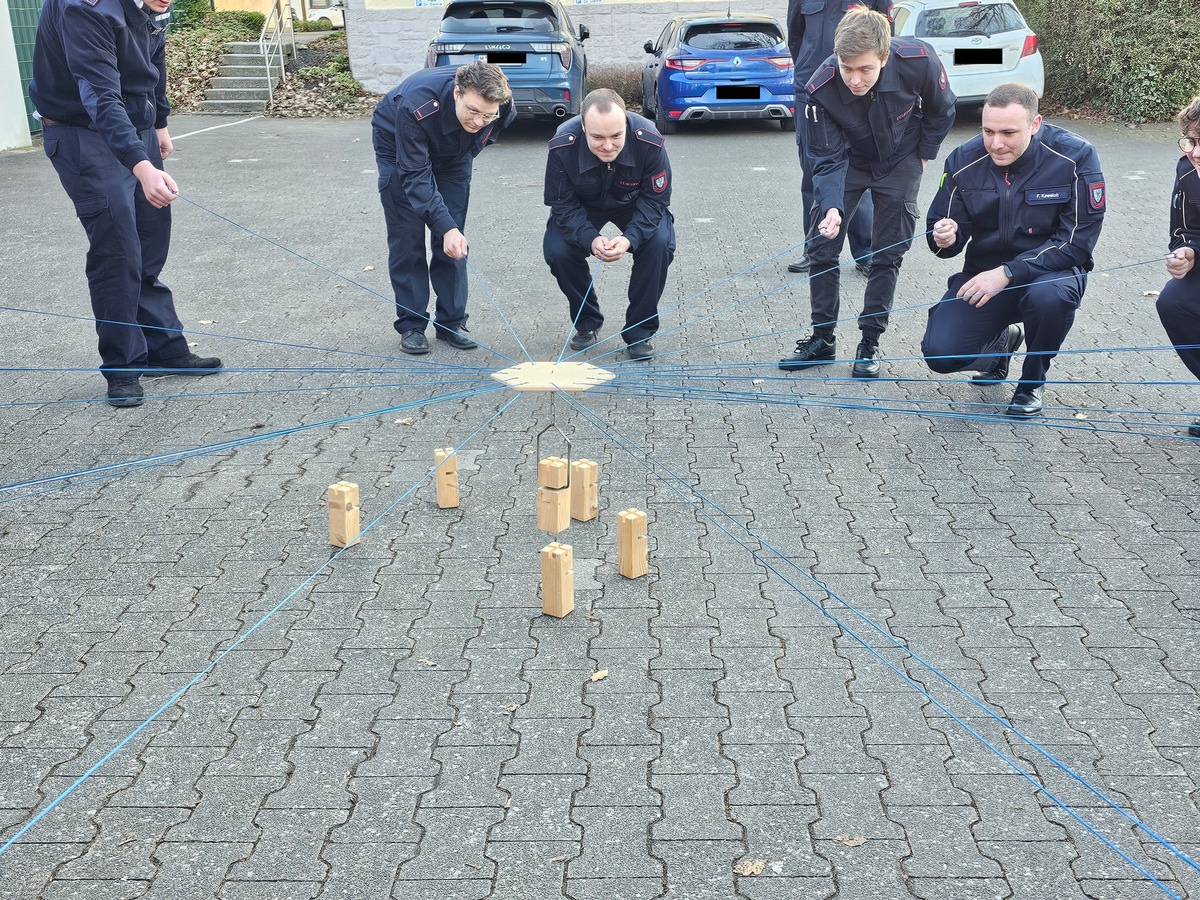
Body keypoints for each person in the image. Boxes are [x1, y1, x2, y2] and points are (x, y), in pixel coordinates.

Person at [29, 0, 222, 408]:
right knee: (118, 249)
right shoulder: (86, 8)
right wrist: (141, 165)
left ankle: (163, 348)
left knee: (151, 238)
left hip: (136, 127)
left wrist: (160, 123)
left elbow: (154, 60)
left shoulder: (155, 3)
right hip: (81, 132)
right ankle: (122, 368)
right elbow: (99, 93)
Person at [779, 6, 954, 378]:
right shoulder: (819, 88)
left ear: (884, 57)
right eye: (847, 69)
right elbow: (824, 158)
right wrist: (829, 206)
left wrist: (923, 157)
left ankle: (869, 341)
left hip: (902, 158)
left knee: (887, 253)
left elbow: (943, 111)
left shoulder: (919, 61)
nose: (855, 80)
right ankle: (822, 339)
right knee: (822, 245)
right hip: (848, 163)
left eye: (865, 70)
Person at [921, 83, 1106, 418]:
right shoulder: (963, 159)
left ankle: (1031, 384)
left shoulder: (1075, 157)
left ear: (1035, 125)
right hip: (984, 276)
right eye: (988, 131)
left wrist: (1008, 272)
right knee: (940, 354)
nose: (996, 143)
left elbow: (1075, 243)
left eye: (1008, 132)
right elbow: (942, 226)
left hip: (1054, 274)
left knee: (1048, 297)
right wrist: (945, 237)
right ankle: (1000, 348)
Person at [372, 62, 515, 355]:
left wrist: (449, 228)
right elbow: (415, 175)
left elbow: (491, 131)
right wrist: (444, 225)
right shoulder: (416, 105)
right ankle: (411, 324)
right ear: (457, 93)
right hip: (398, 148)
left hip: (454, 153)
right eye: (473, 111)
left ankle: (451, 322)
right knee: (407, 236)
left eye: (487, 115)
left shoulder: (500, 103)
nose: (479, 120)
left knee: (452, 239)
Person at [543, 88, 675, 361]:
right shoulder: (562, 145)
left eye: (616, 136)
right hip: (583, 206)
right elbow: (563, 205)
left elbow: (656, 200)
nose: (607, 145)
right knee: (558, 250)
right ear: (582, 126)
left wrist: (629, 239)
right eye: (597, 137)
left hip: (635, 203)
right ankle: (587, 321)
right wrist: (591, 238)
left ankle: (640, 331)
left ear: (626, 123)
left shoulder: (649, 140)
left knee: (660, 243)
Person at [785, 0, 889, 276]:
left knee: (860, 171)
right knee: (813, 172)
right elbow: (795, 36)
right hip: (812, 90)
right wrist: (810, 67)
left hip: (858, 91)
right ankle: (816, 248)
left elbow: (884, 33)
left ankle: (865, 253)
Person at [1156, 95, 1200, 438]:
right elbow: (1183, 230)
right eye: (1192, 141)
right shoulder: (1186, 169)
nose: (1195, 152)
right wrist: (1187, 252)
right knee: (1173, 301)